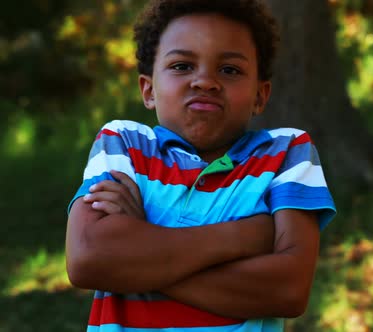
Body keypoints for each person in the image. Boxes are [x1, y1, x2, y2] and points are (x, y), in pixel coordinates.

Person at [65, 0, 336, 331]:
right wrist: (243, 236)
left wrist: (139, 254)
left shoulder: (286, 153)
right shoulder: (124, 142)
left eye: (230, 70)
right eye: (181, 66)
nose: (205, 81)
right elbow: (87, 259)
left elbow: (289, 290)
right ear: (148, 89)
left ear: (260, 96)